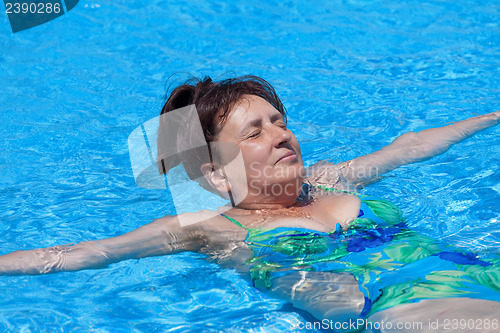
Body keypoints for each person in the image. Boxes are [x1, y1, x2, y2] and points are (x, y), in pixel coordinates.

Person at [1, 75, 499, 331]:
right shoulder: (211, 227)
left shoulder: (331, 181)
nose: (281, 135)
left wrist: (491, 116)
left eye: (280, 121)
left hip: (474, 272)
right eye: (256, 132)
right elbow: (91, 252)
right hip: (399, 309)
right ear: (217, 173)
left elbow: (407, 147)